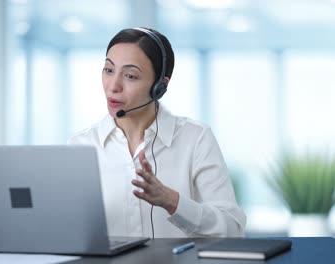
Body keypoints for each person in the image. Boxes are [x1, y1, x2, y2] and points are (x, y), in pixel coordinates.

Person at [68, 27, 246, 238]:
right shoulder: (81, 145)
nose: (113, 86)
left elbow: (233, 229)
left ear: (160, 87)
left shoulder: (195, 138)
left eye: (130, 76)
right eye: (109, 70)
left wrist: (173, 201)